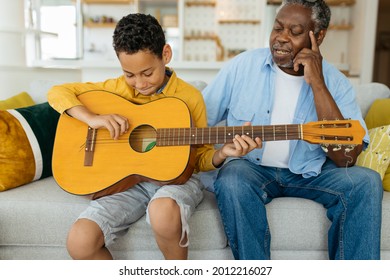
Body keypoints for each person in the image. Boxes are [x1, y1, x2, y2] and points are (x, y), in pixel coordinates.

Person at [47, 13, 239, 260]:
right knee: (80, 241)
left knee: (162, 212)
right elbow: (57, 91)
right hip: (127, 183)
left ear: (166, 55)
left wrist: (221, 153)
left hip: (177, 180)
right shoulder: (117, 89)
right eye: (130, 74)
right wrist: (91, 118)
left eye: (147, 73)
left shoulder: (189, 97)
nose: (139, 83)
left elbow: (200, 157)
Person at [202, 0, 383, 260]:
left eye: (295, 32)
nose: (281, 39)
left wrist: (318, 84)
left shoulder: (336, 82)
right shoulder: (241, 67)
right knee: (232, 178)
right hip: (252, 168)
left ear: (317, 36)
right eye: (277, 28)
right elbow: (198, 120)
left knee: (365, 182)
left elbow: (346, 157)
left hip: (311, 172)